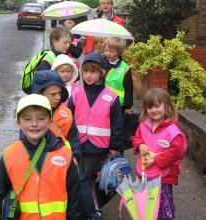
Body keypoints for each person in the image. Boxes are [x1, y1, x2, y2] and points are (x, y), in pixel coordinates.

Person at [0, 94, 83, 219]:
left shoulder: (65, 154)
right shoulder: (9, 156)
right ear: (19, 123)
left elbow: (75, 199)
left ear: (50, 121)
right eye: (27, 119)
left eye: (41, 118)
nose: (34, 124)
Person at [67, 52, 123, 215]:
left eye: (93, 71)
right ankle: (88, 211)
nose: (88, 75)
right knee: (81, 181)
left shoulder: (111, 97)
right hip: (79, 147)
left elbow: (117, 125)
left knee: (98, 182)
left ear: (101, 73)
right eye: (85, 71)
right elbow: (68, 120)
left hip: (100, 148)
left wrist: (115, 147)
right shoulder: (76, 94)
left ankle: (94, 209)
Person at [131, 88, 187, 220]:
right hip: (145, 174)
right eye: (150, 107)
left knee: (161, 206)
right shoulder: (144, 125)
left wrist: (156, 160)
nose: (153, 110)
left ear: (166, 106)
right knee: (146, 206)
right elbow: (136, 138)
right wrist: (140, 145)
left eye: (157, 106)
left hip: (163, 177)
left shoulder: (172, 129)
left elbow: (177, 151)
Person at [31, 70, 81, 165]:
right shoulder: (30, 115)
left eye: (59, 93)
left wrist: (75, 156)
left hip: (64, 161)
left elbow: (73, 136)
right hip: (40, 163)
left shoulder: (66, 113)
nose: (58, 97)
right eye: (53, 94)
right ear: (40, 94)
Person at [103, 36, 133, 113]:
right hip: (102, 100)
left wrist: (128, 106)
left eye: (111, 51)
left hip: (118, 104)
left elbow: (128, 88)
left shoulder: (125, 68)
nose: (107, 53)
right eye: (106, 50)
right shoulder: (101, 63)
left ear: (119, 52)